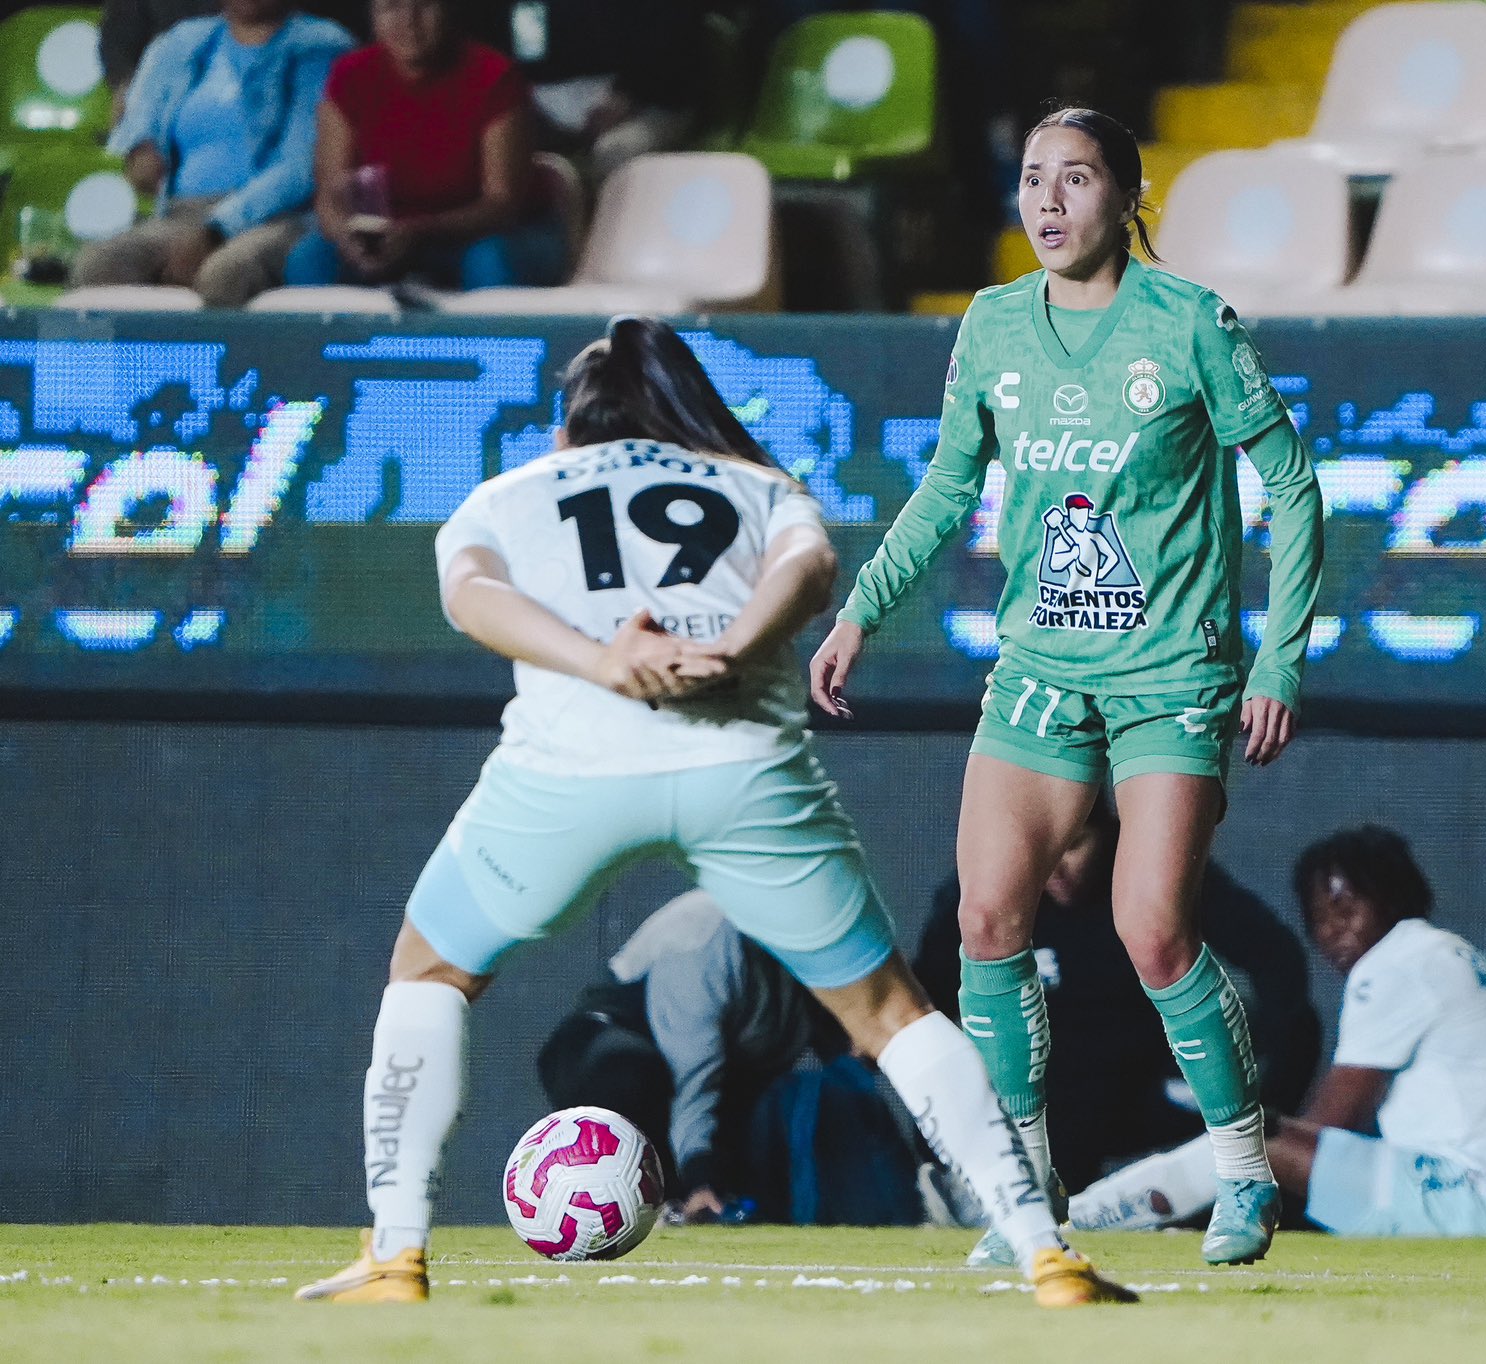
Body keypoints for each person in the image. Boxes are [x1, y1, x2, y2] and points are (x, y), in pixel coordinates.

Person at [294, 316, 1132, 1309]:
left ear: (573, 422)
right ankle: (1043, 1249)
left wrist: (607, 660)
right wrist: (729, 649)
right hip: (744, 770)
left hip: (568, 770)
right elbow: (809, 572)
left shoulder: (508, 492)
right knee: (890, 1014)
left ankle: (395, 1252)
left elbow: (471, 594)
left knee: (427, 970)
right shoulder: (760, 485)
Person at [808, 107, 1326, 1268]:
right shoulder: (992, 325)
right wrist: (859, 610)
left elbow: (1291, 486)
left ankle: (1245, 1169)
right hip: (1040, 669)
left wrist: (1277, 659)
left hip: (1168, 673)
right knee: (986, 922)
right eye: (1031, 179)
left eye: (1075, 178)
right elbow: (947, 488)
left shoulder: (1188, 322)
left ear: (1124, 195)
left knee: (1151, 932)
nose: (1046, 202)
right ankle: (1024, 1191)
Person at [1069, 825, 1486, 1240]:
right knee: (1262, 1146)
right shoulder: (1447, 955)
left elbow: (1332, 1127)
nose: (1332, 932)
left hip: (1481, 1206)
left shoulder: (1398, 963)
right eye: (1319, 918)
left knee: (1255, 1140)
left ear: (1395, 900)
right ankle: (1107, 1216)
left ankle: (1080, 1222)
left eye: (1347, 909)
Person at [913, 800, 1323, 1190]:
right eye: (1040, 850)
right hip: (1041, 1092)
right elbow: (923, 1000)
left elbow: (1276, 960)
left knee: (1300, 1031)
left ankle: (1251, 1170)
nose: (1057, 868)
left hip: (1145, 1085)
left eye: (1073, 845)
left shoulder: (1149, 875)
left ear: (1106, 834)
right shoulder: (984, 900)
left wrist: (1262, 1084)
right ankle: (993, 1195)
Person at [539, 889, 922, 1228]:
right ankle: (640, 1207)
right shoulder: (702, 940)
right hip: (608, 1057)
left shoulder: (815, 960)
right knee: (630, 1076)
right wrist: (699, 1181)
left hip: (718, 1080)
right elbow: (693, 1084)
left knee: (830, 1098)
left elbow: (874, 1040)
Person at [283, 0, 567, 292]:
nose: (409, 20)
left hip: (491, 234)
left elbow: (500, 205)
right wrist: (346, 238)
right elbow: (331, 194)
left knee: (489, 260)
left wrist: (420, 231)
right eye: (391, 7)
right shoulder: (350, 76)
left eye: (425, 6)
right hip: (390, 237)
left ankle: (487, 339)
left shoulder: (495, 76)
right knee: (309, 259)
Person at [81, 1, 353, 306]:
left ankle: (216, 356)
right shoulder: (182, 42)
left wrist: (216, 229)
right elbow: (141, 121)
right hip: (181, 215)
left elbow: (301, 167)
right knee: (99, 265)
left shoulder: (320, 46)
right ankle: (111, 356)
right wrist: (141, 149)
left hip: (277, 219)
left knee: (226, 272)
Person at [459, 0, 705, 185]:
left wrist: (626, 95)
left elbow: (673, 43)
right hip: (542, 99)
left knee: (615, 153)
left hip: (647, 101)